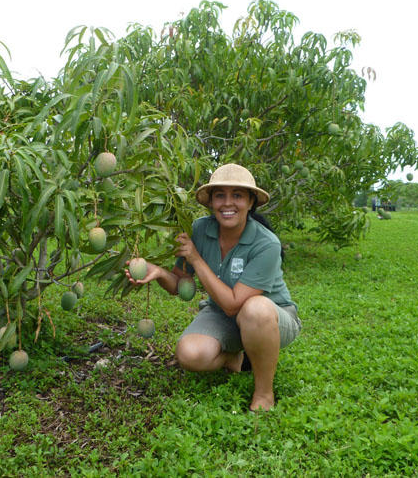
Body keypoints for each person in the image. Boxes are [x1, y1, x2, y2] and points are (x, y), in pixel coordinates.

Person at [125, 163, 301, 412]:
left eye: (237, 195)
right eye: (220, 195)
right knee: (190, 354)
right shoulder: (200, 228)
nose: (227, 203)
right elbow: (180, 285)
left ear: (251, 202)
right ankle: (237, 358)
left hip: (272, 317)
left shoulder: (266, 243)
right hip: (222, 313)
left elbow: (233, 305)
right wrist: (159, 273)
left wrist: (196, 258)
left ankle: (264, 393)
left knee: (255, 308)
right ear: (211, 202)